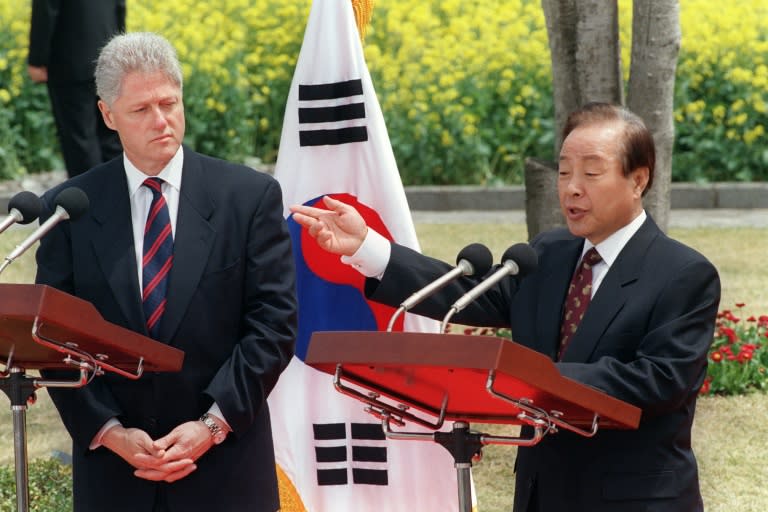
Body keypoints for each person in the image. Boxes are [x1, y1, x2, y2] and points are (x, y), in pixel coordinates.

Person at [291, 102, 720, 512]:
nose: (572, 187)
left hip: (631, 498)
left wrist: (533, 380)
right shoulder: (548, 253)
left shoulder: (682, 273)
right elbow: (475, 294)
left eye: (591, 172)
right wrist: (368, 248)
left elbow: (660, 381)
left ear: (638, 180)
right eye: (565, 171)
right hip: (541, 492)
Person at [35, 32, 297, 512]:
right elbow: (53, 337)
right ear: (108, 115)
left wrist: (211, 426)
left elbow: (273, 327)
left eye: (169, 103)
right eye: (141, 110)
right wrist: (110, 432)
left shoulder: (249, 198)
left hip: (224, 467)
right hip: (116, 476)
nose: (161, 121)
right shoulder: (70, 209)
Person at [28, 0, 124, 177]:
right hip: (109, 57)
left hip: (70, 61)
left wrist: (37, 59)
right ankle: (122, 194)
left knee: (80, 140)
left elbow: (46, 9)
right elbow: (119, 7)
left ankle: (91, 199)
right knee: (111, 135)